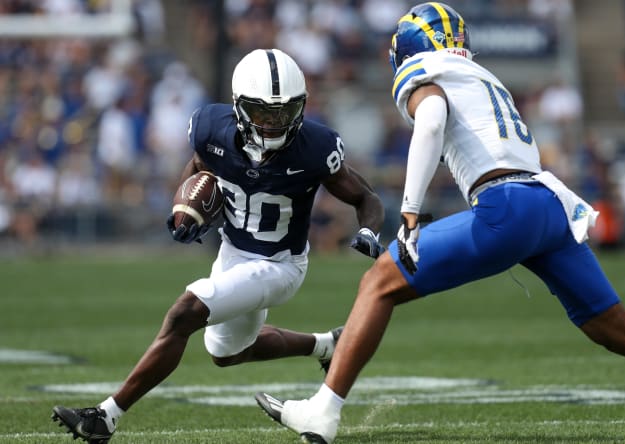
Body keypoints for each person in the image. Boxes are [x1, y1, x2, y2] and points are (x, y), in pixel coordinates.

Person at [255, 4, 625, 443]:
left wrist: (409, 210)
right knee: (613, 327)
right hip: (549, 206)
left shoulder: (426, 70)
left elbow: (430, 123)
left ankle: (323, 411)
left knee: (380, 281)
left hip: (507, 207)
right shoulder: (483, 77)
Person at [51, 48, 385, 443]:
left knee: (184, 313)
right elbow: (198, 166)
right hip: (233, 251)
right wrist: (184, 207)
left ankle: (104, 418)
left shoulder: (316, 146)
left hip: (280, 264)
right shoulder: (211, 129)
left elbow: (366, 197)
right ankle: (328, 345)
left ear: (301, 107)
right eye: (263, 113)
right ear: (240, 108)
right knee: (226, 353)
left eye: (284, 112)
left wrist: (369, 232)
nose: (275, 123)